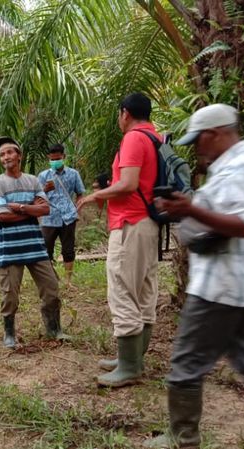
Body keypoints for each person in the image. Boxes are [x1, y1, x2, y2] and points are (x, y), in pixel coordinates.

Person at [144, 104, 244, 449]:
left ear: (215, 134)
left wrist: (190, 209)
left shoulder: (242, 168)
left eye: (199, 140)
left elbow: (242, 225)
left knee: (186, 360)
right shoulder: (236, 166)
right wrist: (190, 206)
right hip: (239, 283)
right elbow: (224, 213)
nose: (196, 147)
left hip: (223, 284)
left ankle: (182, 437)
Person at [76, 92, 160, 388]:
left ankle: (129, 367)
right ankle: (133, 359)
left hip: (130, 223)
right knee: (145, 290)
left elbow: (128, 184)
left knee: (122, 289)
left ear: (125, 113)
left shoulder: (134, 139)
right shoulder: (155, 137)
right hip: (148, 223)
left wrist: (95, 195)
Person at [0, 136, 66, 348]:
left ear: (19, 155)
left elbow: (45, 208)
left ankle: (54, 330)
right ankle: (9, 334)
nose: (6, 157)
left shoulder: (33, 180)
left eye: (9, 152)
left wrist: (20, 207)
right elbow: (1, 216)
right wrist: (31, 210)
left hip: (35, 246)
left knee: (51, 289)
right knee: (10, 296)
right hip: (9, 249)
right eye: (2, 155)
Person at [37, 143, 85, 283]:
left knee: (68, 250)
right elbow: (37, 197)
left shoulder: (73, 174)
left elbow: (80, 193)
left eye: (57, 158)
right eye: (52, 159)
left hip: (68, 217)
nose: (55, 162)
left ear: (63, 157)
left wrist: (77, 209)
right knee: (46, 250)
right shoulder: (43, 175)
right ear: (48, 158)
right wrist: (45, 189)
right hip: (49, 217)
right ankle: (51, 278)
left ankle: (68, 280)